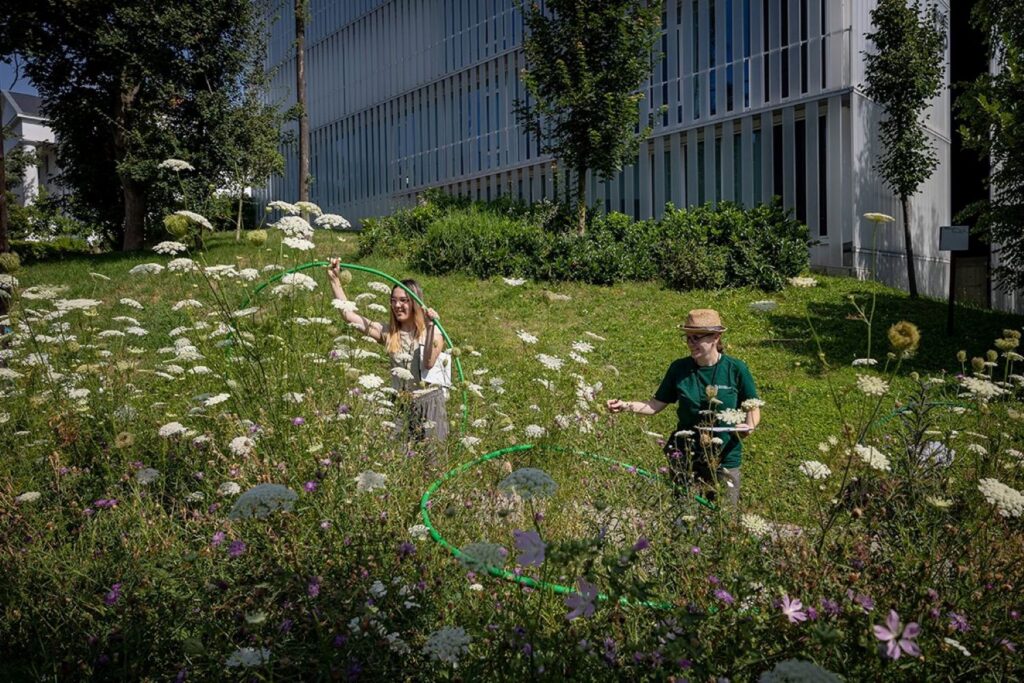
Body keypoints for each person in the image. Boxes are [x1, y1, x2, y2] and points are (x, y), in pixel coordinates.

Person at [606, 309, 761, 504]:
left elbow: (753, 406)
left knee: (724, 517)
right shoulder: (679, 368)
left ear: (716, 337)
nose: (690, 343)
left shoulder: (736, 369)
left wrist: (749, 427)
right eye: (687, 338)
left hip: (724, 458)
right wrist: (625, 405)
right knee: (684, 514)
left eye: (696, 338)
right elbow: (654, 405)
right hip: (686, 455)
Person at [326, 258, 450, 442]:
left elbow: (428, 362)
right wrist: (334, 280)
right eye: (393, 301)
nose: (397, 305)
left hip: (430, 401)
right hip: (401, 402)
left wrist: (431, 326)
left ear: (415, 302)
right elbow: (349, 315)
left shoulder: (433, 331)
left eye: (403, 300)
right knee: (396, 460)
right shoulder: (388, 333)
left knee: (433, 463)